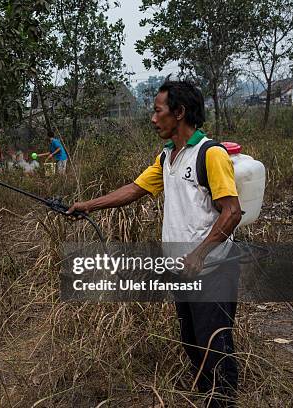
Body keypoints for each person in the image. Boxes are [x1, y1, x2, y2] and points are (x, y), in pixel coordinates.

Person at [67, 79, 242, 407]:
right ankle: (209, 399)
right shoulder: (167, 158)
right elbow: (134, 189)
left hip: (213, 270)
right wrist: (87, 205)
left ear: (179, 112)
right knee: (192, 344)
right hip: (182, 270)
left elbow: (232, 213)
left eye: (157, 110)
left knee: (215, 347)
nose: (152, 118)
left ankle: (223, 402)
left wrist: (200, 253)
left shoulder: (211, 154)